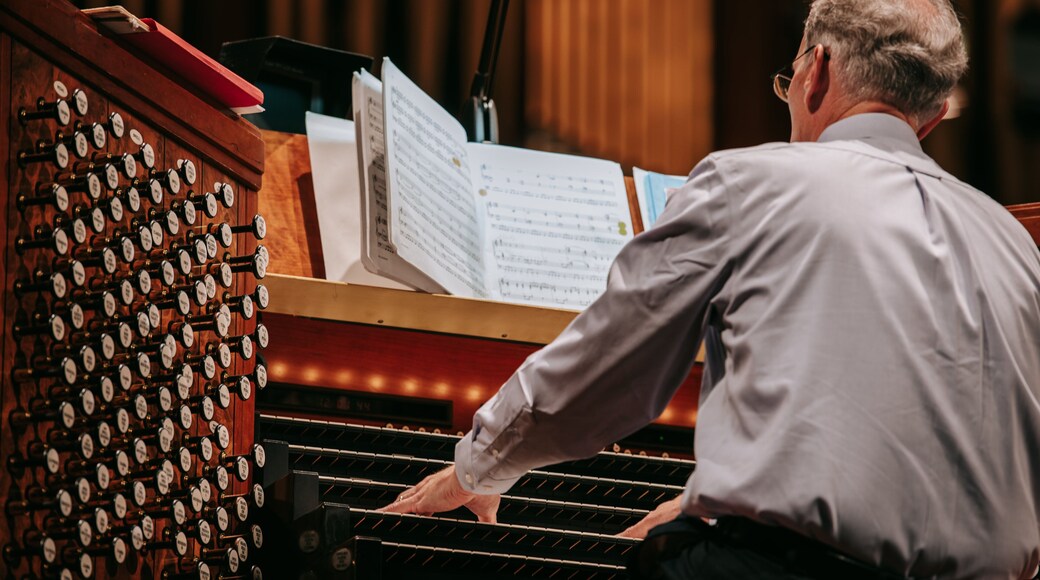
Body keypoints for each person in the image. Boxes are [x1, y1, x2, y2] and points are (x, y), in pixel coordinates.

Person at [380, 0, 1040, 577]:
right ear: (929, 117)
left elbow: (606, 373)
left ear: (819, 70)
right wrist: (725, 495)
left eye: (790, 78)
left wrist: (477, 467)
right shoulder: (1013, 244)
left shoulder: (752, 184)